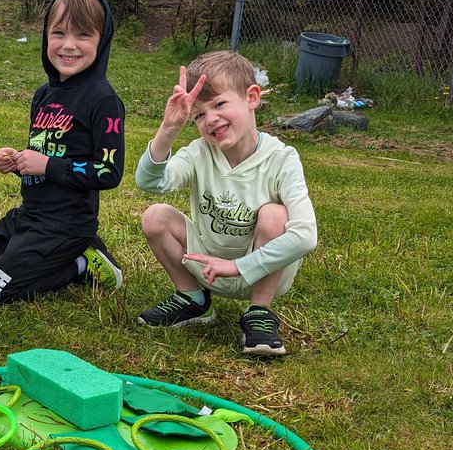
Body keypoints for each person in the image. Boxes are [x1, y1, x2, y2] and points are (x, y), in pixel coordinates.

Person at [135, 50, 317, 356]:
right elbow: (150, 182)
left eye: (219, 104)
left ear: (252, 97)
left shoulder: (282, 159)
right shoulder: (198, 152)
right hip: (206, 265)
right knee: (156, 217)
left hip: (259, 268)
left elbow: (306, 236)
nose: (211, 119)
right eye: (200, 115)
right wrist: (168, 130)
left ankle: (259, 313)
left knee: (275, 215)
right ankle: (193, 300)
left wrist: (238, 266)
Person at [0, 0, 125, 304]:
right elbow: (41, 157)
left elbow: (108, 172)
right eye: (59, 33)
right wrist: (17, 163)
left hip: (67, 225)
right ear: (45, 36)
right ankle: (59, 256)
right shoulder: (43, 96)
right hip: (29, 216)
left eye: (83, 35)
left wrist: (47, 165)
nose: (69, 45)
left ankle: (81, 263)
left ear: (102, 40)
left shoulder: (104, 101)